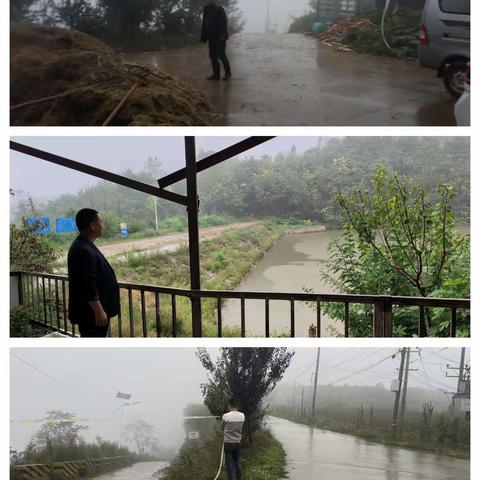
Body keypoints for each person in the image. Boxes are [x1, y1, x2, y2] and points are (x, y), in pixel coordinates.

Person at [67, 208, 120, 337]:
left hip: (93, 314)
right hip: (91, 315)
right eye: (100, 222)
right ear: (92, 226)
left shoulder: (85, 245)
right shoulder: (82, 250)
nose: (103, 226)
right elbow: (87, 285)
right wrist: (99, 311)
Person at [201, 0, 232, 81]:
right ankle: (216, 74)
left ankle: (227, 73)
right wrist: (203, 36)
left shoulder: (219, 9)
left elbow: (223, 22)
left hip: (220, 37)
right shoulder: (206, 9)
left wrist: (223, 35)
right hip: (211, 37)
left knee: (221, 55)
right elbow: (204, 23)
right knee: (212, 56)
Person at [221, 398, 245, 480]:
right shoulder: (242, 415)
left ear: (229, 405)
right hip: (237, 442)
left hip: (228, 442)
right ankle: (239, 478)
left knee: (229, 464)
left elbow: (222, 427)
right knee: (237, 462)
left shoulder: (225, 416)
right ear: (237, 406)